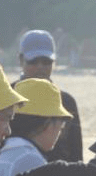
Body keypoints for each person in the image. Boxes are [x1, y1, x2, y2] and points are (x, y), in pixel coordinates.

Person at [0, 78, 71, 176]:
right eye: (61, 127)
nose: (59, 134)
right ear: (47, 123)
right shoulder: (29, 159)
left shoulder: (11, 150)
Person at [17, 29, 82, 163]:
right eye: (33, 61)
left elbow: (76, 153)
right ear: (21, 60)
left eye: (46, 61)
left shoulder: (66, 102)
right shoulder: (8, 98)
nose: (40, 67)